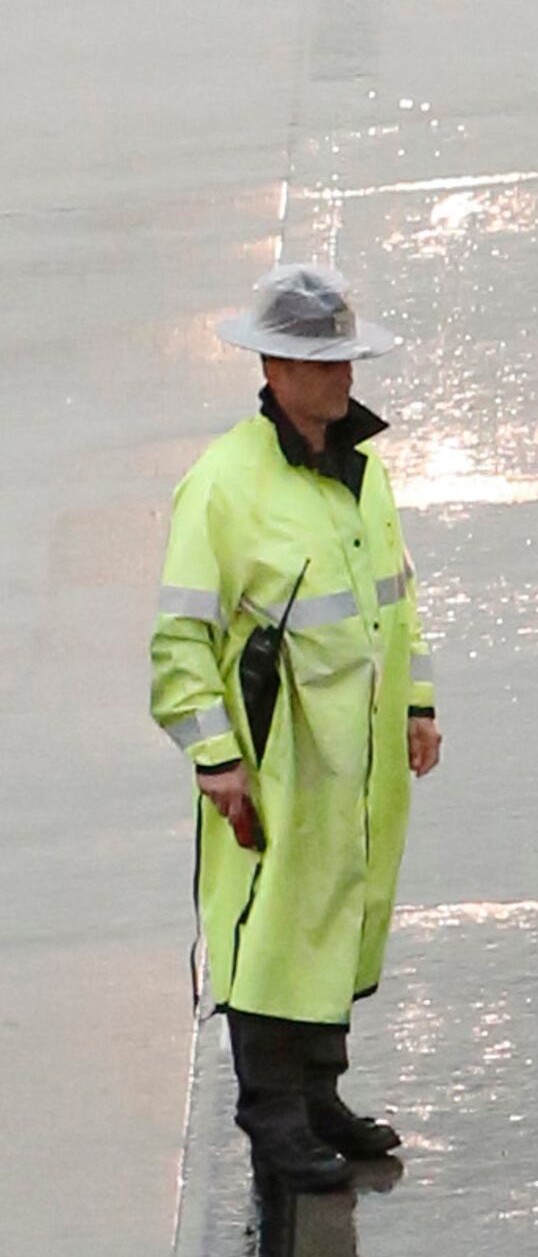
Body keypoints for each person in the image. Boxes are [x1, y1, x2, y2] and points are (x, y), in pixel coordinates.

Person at [150, 263, 442, 1197]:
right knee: (267, 933)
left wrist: (418, 703)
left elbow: (399, 601)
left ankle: (320, 1099)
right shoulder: (225, 486)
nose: (340, 380)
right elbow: (180, 640)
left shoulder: (362, 471)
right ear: (272, 369)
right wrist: (217, 760)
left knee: (336, 920)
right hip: (277, 760)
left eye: (346, 360)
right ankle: (272, 1115)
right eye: (320, 365)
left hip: (355, 763)